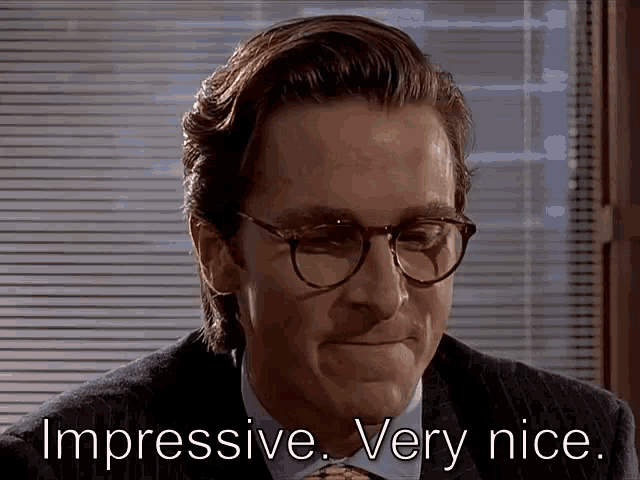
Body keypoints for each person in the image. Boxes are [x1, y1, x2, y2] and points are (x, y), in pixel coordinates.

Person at [0, 14, 637, 480]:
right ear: (219, 252)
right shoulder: (64, 465)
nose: (385, 297)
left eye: (420, 236)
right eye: (327, 240)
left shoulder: (578, 446)